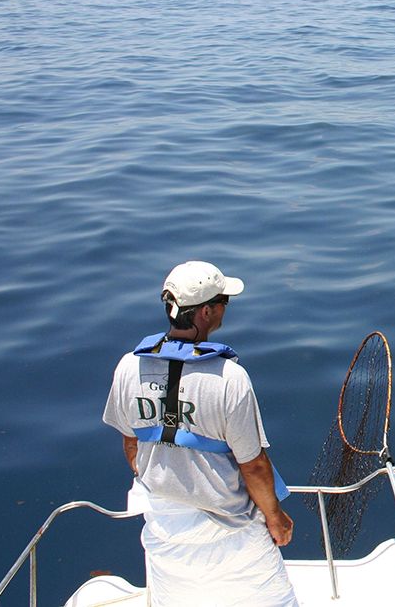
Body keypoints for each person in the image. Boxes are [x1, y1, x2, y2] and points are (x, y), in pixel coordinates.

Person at [103, 260, 299, 606]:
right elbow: (253, 466)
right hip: (232, 532)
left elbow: (131, 444)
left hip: (165, 527)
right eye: (224, 301)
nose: (225, 309)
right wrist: (275, 518)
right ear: (206, 311)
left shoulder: (128, 367)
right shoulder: (229, 378)